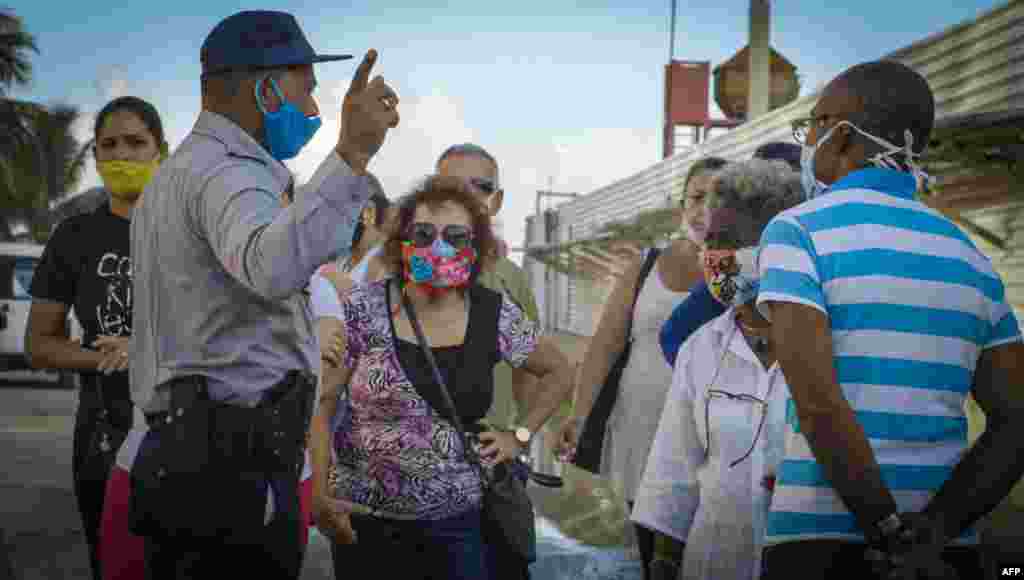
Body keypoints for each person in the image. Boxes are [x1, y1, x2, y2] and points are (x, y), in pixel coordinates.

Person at [127, 10, 399, 579]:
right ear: (267, 87)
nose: (314, 110)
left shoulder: (178, 174)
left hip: (191, 459)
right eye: (307, 89)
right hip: (229, 470)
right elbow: (271, 266)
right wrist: (352, 154)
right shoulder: (231, 174)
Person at [756, 59, 1024, 579]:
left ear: (839, 134)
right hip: (944, 554)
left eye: (810, 124)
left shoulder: (797, 233)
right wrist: (936, 531)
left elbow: (818, 402)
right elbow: (1017, 419)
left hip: (820, 541)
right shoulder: (969, 255)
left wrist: (886, 529)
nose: (807, 140)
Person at [310, 176, 574, 579]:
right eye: (423, 234)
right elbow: (323, 403)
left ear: (476, 248)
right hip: (365, 523)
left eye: (455, 236)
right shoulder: (363, 310)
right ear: (402, 243)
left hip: (457, 525)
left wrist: (518, 437)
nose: (438, 247)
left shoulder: (493, 313)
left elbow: (559, 371)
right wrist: (318, 496)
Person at [631, 159, 803, 580]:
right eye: (709, 242)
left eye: (729, 241)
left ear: (777, 247)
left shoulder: (831, 348)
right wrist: (664, 564)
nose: (712, 257)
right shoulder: (701, 349)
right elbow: (674, 474)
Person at [24, 96, 168, 580]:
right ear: (96, 158)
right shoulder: (74, 236)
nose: (122, 154)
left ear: (160, 152)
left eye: (135, 142)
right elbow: (40, 345)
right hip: (104, 435)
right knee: (114, 567)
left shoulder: (190, 234)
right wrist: (103, 357)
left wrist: (144, 350)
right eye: (109, 145)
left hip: (188, 433)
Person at [555, 158, 718, 579]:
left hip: (710, 440)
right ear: (682, 203)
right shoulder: (647, 265)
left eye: (719, 197)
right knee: (652, 554)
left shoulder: (742, 268)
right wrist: (579, 414)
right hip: (639, 433)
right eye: (697, 196)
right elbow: (605, 345)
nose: (705, 207)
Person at [435, 143, 543, 580]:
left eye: (478, 186)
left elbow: (538, 375)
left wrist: (518, 436)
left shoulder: (510, 279)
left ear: (495, 201)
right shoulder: (402, 270)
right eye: (451, 185)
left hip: (490, 469)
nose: (464, 196)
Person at [658, 144, 802, 368]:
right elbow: (674, 339)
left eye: (738, 240)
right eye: (712, 241)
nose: (715, 257)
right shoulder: (696, 348)